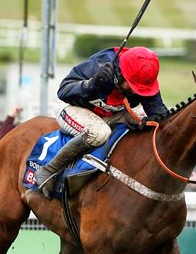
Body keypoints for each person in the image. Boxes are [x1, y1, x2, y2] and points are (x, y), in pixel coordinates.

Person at [33, 46, 169, 198]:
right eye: (131, 87)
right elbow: (63, 91)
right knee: (100, 133)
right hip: (72, 108)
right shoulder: (99, 65)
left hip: (110, 114)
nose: (135, 92)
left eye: (139, 90)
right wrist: (91, 84)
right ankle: (49, 170)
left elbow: (158, 112)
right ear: (120, 74)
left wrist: (158, 118)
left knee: (140, 123)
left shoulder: (142, 76)